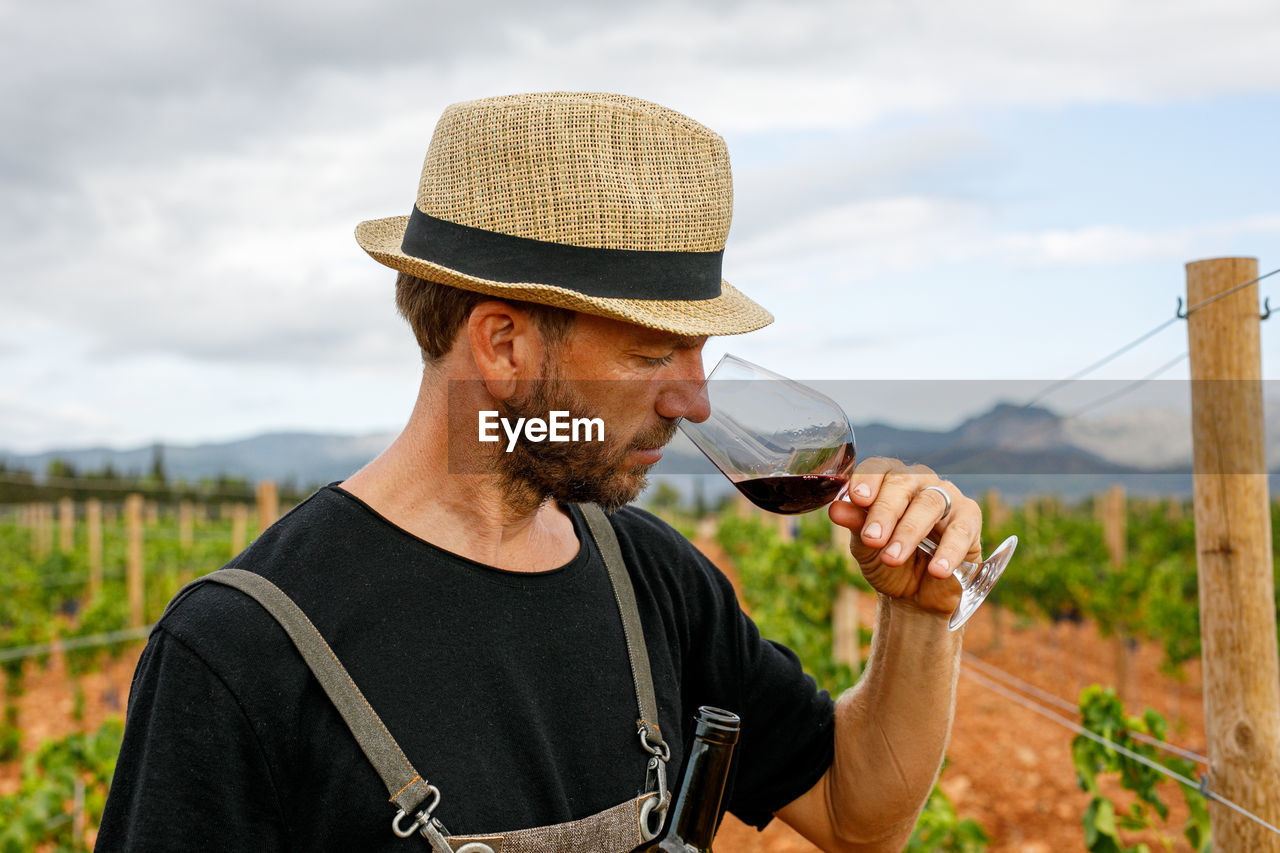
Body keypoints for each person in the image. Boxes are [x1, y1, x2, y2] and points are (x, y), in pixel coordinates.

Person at [98, 92, 982, 853]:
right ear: (504, 345)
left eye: (701, 356)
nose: (695, 402)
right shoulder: (238, 651)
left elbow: (858, 816)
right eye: (652, 356)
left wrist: (919, 611)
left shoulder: (654, 579)